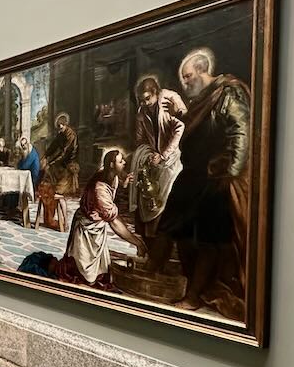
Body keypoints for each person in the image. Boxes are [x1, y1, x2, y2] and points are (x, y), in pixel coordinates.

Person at [150, 49, 250, 319]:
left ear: (204, 70)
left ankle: (193, 295)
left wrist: (229, 173)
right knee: (171, 227)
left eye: (188, 76)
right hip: (193, 175)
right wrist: (181, 116)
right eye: (183, 78)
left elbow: (240, 133)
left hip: (214, 177)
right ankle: (152, 274)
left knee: (209, 238)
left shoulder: (228, 93)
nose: (185, 83)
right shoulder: (204, 99)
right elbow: (202, 130)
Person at [61, 149, 147, 285]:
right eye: (121, 161)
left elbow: (111, 192)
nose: (124, 162)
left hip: (97, 226)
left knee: (100, 272)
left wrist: (124, 184)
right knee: (85, 274)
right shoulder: (100, 188)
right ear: (112, 165)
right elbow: (115, 223)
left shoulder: (111, 175)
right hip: (86, 229)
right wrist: (137, 242)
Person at [129, 76, 187, 239]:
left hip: (172, 157)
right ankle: (150, 238)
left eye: (147, 99)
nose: (144, 103)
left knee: (166, 196)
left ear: (156, 93)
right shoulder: (141, 112)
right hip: (154, 158)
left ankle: (165, 237)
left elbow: (180, 127)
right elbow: (140, 139)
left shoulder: (169, 99)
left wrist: (163, 155)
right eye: (141, 100)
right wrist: (148, 154)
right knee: (148, 196)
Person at [41, 112, 80, 195]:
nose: (60, 127)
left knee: (59, 190)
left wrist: (52, 161)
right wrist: (45, 156)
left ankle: (59, 190)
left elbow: (65, 152)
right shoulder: (61, 134)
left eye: (62, 124)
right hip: (62, 159)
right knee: (48, 171)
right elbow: (53, 146)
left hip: (69, 161)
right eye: (59, 125)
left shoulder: (71, 135)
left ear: (65, 124)